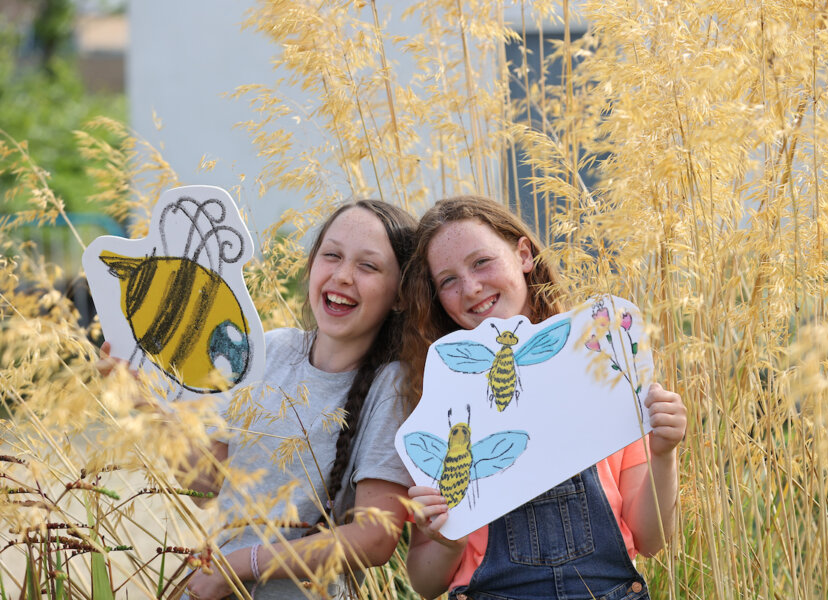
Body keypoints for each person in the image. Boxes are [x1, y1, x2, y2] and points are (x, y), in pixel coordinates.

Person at [100, 200, 417, 599]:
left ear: (401, 295)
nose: (342, 275)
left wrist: (237, 566)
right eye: (331, 255)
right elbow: (206, 485)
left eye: (368, 266)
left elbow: (375, 538)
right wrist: (144, 405)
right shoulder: (269, 349)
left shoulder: (393, 385)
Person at [399, 196, 687, 600]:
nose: (471, 287)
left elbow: (651, 539)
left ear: (523, 254)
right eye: (448, 280)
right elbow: (424, 583)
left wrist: (663, 452)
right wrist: (448, 538)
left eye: (481, 262)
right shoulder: (442, 398)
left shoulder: (598, 363)